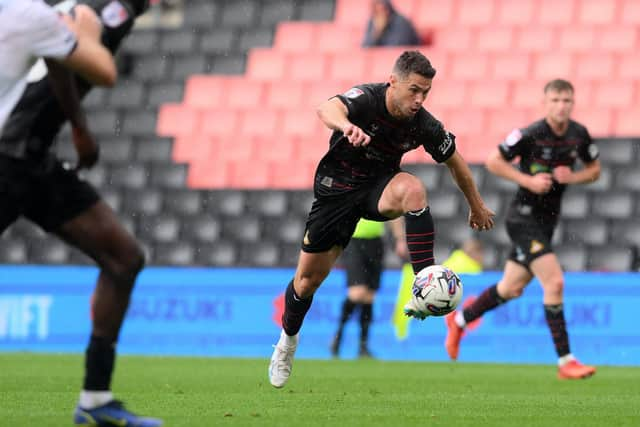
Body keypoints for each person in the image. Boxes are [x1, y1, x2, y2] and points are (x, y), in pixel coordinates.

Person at [268, 50, 495, 388]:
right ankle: (287, 342)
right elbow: (326, 108)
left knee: (414, 190)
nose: (419, 100)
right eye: (414, 90)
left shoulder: (423, 124)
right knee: (306, 284)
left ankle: (424, 287)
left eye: (425, 93)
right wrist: (346, 126)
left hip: (378, 190)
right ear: (393, 82)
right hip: (337, 193)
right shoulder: (367, 99)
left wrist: (476, 204)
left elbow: (456, 162)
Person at [0, 0, 163, 425]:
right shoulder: (113, 9)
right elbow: (100, 69)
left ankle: (95, 400)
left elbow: (57, 56)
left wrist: (78, 126)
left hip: (32, 161)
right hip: (7, 156)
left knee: (123, 258)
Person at [444, 79, 601, 380]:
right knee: (554, 283)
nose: (561, 106)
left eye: (566, 101)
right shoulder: (530, 134)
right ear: (545, 103)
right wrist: (528, 181)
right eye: (555, 100)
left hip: (547, 223)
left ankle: (460, 320)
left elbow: (595, 171)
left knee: (511, 288)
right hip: (523, 219)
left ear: (573, 103)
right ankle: (566, 361)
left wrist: (573, 177)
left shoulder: (578, 135)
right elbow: (493, 161)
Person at [330, 218, 405, 358]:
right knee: (357, 293)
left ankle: (363, 346)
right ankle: (338, 336)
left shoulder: (383, 194)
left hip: (375, 243)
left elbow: (394, 213)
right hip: (354, 241)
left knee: (369, 296)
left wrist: (399, 238)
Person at [391, 238, 483, 340]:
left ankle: (402, 336)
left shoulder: (453, 261)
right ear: (474, 253)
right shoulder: (470, 268)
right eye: (480, 254)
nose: (482, 258)